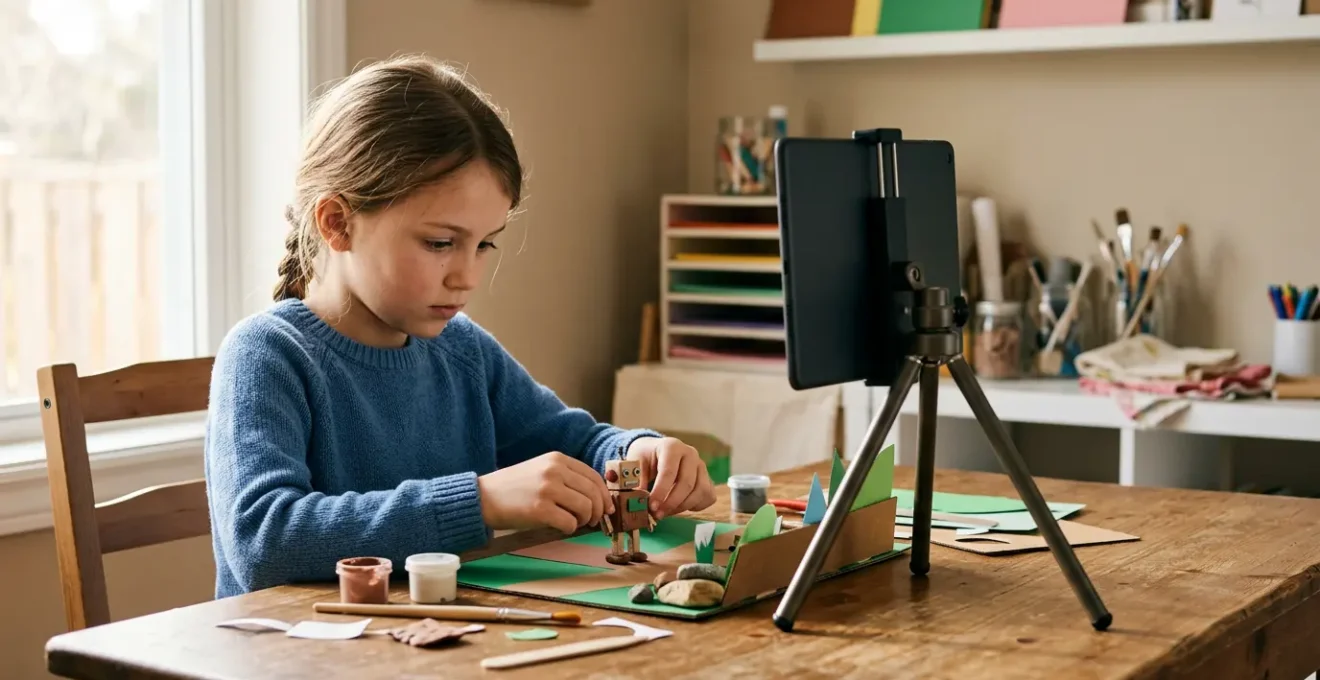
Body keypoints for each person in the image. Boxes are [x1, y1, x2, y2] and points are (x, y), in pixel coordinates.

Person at [203, 54, 716, 598]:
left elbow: (579, 442)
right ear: (337, 223)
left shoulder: (462, 349)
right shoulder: (266, 354)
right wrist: (481, 501)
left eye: (485, 244)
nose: (467, 277)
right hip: (296, 643)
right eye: (440, 243)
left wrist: (636, 452)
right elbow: (264, 541)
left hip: (444, 633)